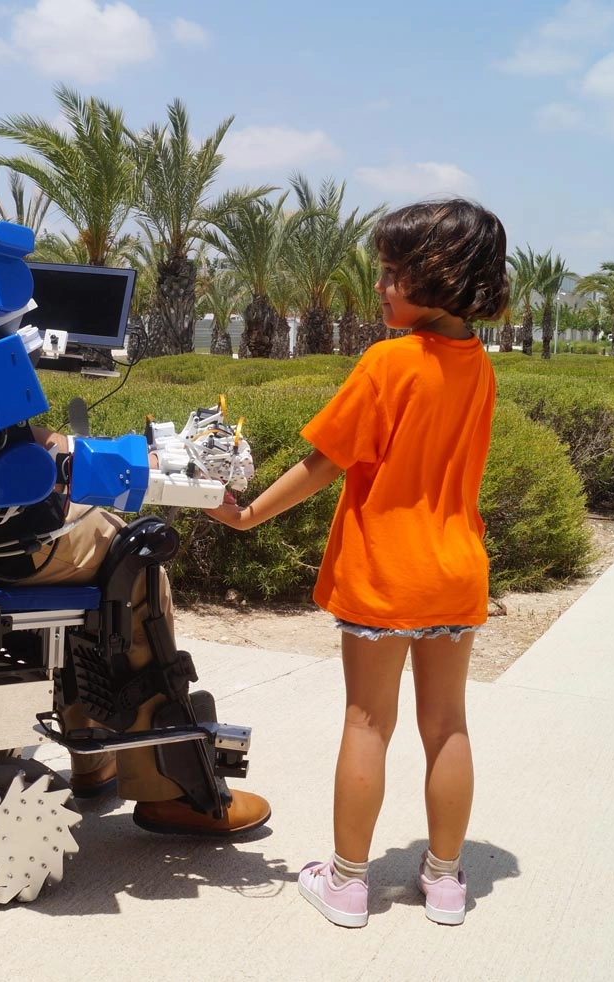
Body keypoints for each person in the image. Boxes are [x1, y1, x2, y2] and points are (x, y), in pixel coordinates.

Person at [0, 97, 270, 837]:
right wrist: (113, 461)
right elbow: (13, 461)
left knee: (91, 529)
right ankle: (166, 785)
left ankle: (97, 761)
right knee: (127, 548)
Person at [207, 199, 508, 926]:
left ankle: (346, 884)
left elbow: (321, 465)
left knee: (368, 721)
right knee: (449, 727)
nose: (380, 287)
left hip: (386, 573)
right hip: (457, 568)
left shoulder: (389, 363)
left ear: (434, 278)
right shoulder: (480, 368)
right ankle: (443, 882)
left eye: (393, 274)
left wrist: (245, 514)